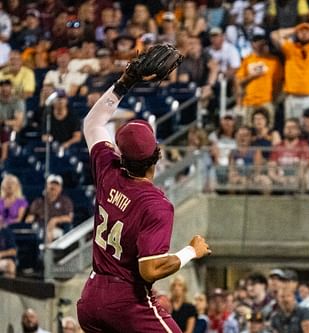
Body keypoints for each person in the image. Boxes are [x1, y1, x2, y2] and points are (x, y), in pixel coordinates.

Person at [76, 46, 211, 332]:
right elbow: (149, 269)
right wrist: (191, 252)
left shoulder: (107, 168)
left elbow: (93, 123)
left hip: (91, 297)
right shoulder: (155, 204)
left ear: (121, 154)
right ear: (157, 156)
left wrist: (125, 81)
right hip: (127, 302)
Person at [25, 174, 74, 243]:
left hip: (58, 227)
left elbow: (69, 218)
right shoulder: (39, 201)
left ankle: (47, 252)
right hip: (39, 227)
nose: (53, 186)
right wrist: (30, 219)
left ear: (60, 188)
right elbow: (31, 215)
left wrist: (55, 220)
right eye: (51, 184)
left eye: (56, 184)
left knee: (50, 232)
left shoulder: (65, 201)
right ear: (46, 186)